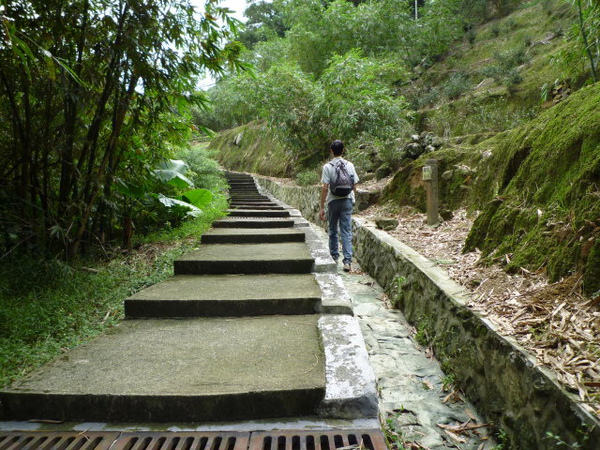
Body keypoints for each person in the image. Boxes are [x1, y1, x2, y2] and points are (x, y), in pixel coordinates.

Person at [319, 140, 359, 272]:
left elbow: (325, 188)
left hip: (333, 201)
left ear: (331, 151)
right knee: (346, 231)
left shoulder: (327, 167)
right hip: (347, 200)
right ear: (343, 150)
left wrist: (321, 207)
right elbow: (354, 185)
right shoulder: (350, 165)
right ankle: (347, 262)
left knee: (333, 230)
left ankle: (334, 257)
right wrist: (353, 200)